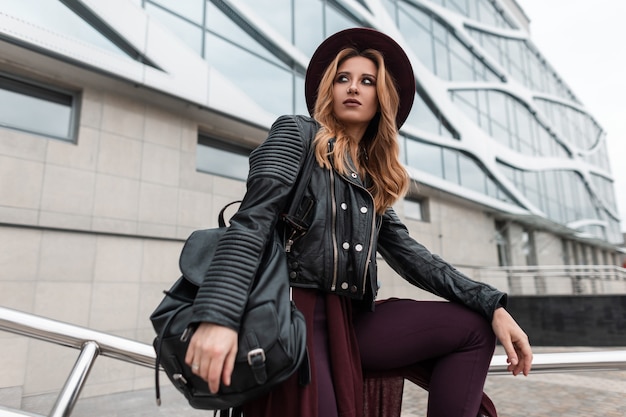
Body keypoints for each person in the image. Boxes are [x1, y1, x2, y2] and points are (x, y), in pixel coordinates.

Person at [185, 27, 532, 417]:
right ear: (329, 91)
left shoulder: (368, 178)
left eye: (367, 81)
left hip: (351, 321)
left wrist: (492, 305)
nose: (353, 88)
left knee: (472, 329)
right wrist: (217, 315)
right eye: (342, 78)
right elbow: (252, 222)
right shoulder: (296, 133)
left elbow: (415, 258)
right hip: (292, 315)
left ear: (380, 98)